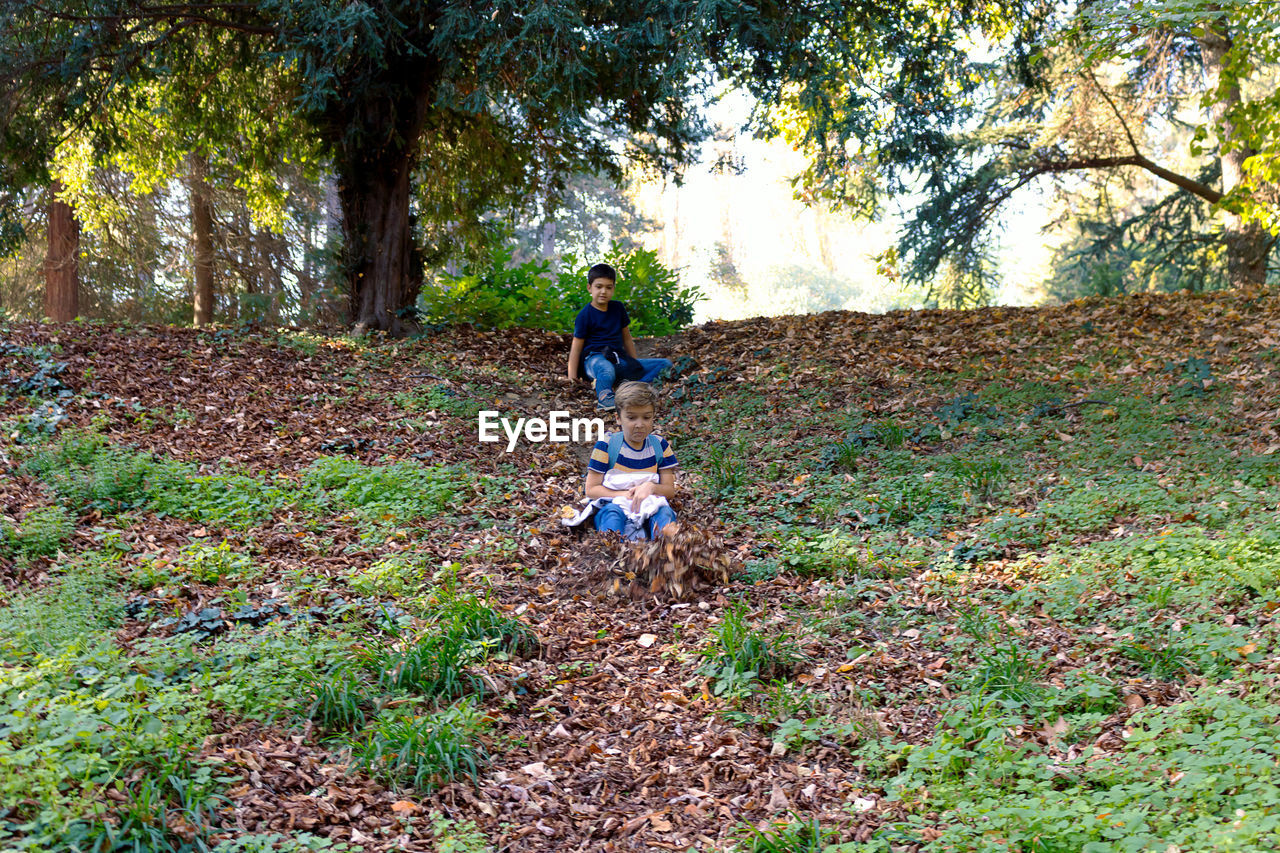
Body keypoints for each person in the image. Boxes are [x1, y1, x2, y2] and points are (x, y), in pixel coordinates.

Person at [561, 381, 678, 540]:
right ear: (618, 418)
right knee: (612, 515)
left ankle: (666, 551)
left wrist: (650, 487)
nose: (639, 424)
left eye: (646, 417)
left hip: (649, 503)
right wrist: (624, 495)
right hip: (613, 504)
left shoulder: (660, 446)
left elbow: (669, 490)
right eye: (631, 418)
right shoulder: (607, 446)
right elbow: (592, 490)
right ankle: (616, 554)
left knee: (665, 514)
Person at [566, 262, 672, 411]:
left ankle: (632, 386)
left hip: (619, 359)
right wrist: (572, 378)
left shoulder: (618, 308)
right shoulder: (585, 315)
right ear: (589, 288)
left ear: (614, 289)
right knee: (606, 369)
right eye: (599, 286)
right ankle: (605, 398)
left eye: (608, 287)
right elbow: (576, 349)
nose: (603, 291)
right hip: (594, 361)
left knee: (664, 364)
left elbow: (627, 338)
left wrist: (634, 364)